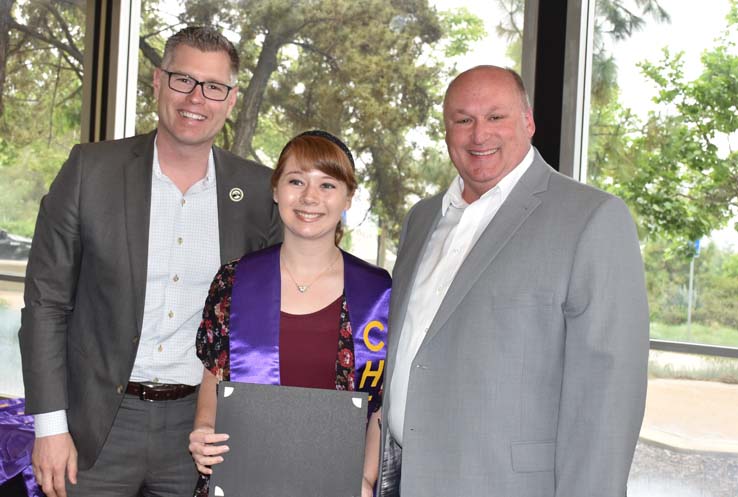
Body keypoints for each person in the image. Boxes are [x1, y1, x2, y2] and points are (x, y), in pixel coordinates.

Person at [18, 26, 281, 497]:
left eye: (214, 86)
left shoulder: (260, 194)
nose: (196, 98)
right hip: (94, 427)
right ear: (157, 81)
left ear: (232, 99)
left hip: (201, 432)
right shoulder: (89, 170)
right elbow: (45, 305)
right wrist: (49, 428)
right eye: (183, 79)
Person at [378, 65, 649, 497]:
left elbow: (609, 396)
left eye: (496, 117)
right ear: (446, 131)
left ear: (528, 122)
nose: (478, 134)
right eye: (463, 119)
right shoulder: (422, 218)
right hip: (404, 481)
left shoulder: (592, 218)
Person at [188, 130, 391, 497]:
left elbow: (379, 406)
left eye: (327, 185)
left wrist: (365, 478)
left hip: (336, 486)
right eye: (296, 180)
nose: (310, 197)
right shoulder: (234, 280)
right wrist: (203, 431)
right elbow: (213, 384)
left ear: (348, 197)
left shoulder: (379, 292)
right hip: (242, 481)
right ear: (276, 190)